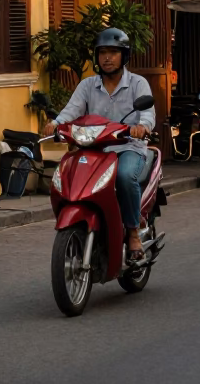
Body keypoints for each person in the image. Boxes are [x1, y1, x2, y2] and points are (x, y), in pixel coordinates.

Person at [44, 28, 155, 261]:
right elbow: (70, 112)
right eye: (103, 52)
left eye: (113, 53)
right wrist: (55, 124)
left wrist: (142, 127)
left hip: (128, 148)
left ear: (124, 56)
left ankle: (133, 232)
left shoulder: (138, 84)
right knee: (71, 174)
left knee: (125, 177)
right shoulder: (87, 85)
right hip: (95, 150)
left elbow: (147, 116)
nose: (107, 58)